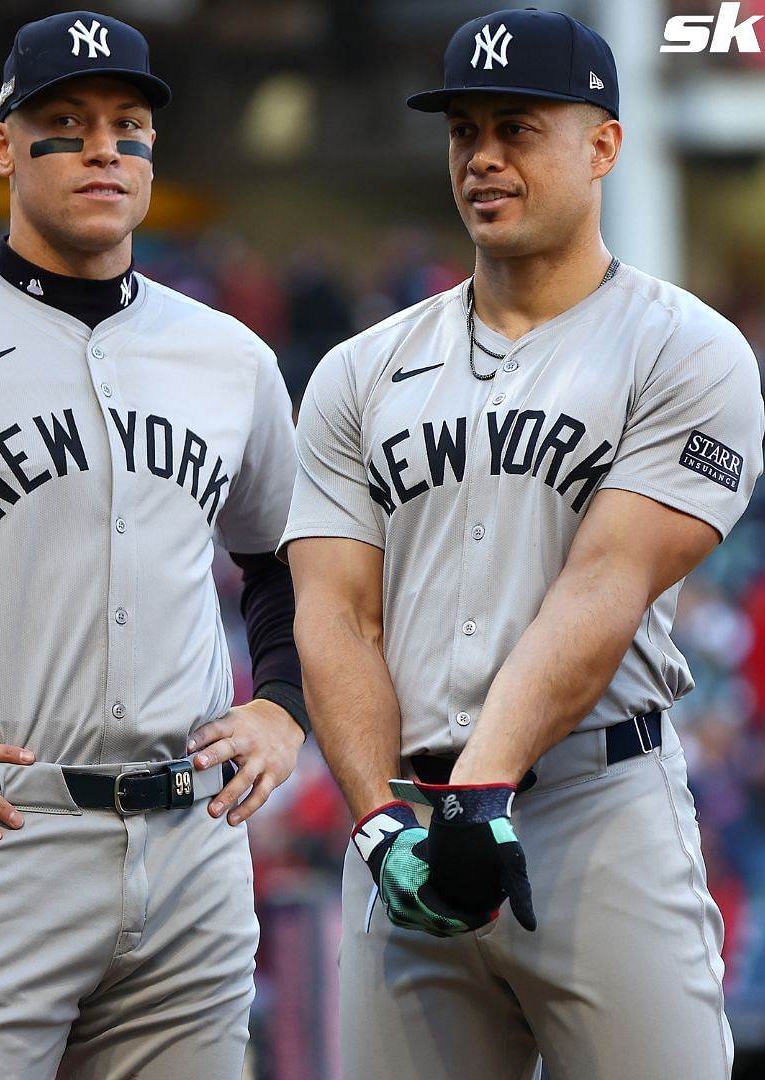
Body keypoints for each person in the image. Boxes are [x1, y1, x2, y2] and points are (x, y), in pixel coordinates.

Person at [0, 13, 306, 1077]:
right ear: (2, 147)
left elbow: (282, 557)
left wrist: (283, 703)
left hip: (192, 854)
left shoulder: (229, 356)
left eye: (128, 126)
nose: (103, 149)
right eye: (66, 124)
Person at [283, 11, 762, 1079]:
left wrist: (485, 791)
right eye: (463, 131)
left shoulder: (686, 347)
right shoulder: (359, 370)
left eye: (515, 127)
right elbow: (333, 612)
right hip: (406, 822)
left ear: (602, 146)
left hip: (597, 810)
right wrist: (375, 823)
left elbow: (607, 582)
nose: (482, 158)